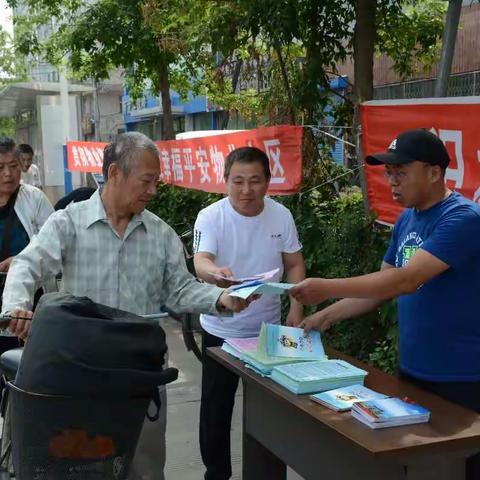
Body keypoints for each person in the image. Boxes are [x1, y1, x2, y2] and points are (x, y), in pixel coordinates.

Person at [1, 132, 254, 480]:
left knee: (144, 468)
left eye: (156, 182)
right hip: (81, 371)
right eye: (146, 181)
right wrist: (16, 305)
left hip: (140, 376)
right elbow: (28, 264)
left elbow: (180, 289)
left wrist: (221, 299)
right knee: (83, 466)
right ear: (116, 173)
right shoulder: (69, 224)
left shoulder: (160, 234)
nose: (152, 190)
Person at [290, 128, 480, 479]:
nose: (392, 182)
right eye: (389, 173)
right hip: (414, 372)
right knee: (421, 467)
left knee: (461, 467)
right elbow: (382, 287)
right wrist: (325, 317)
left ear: (435, 173)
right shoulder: (406, 219)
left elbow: (406, 279)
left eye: (401, 173)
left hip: (463, 378)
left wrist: (327, 288)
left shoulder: (463, 219)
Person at [194, 146, 305, 480]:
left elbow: (295, 262)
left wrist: (297, 307)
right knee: (217, 407)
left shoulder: (281, 216)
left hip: (267, 331)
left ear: (268, 182)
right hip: (221, 328)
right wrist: (216, 273)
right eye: (238, 181)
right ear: (225, 180)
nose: (246, 190)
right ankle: (216, 473)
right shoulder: (211, 216)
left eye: (255, 181)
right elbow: (200, 261)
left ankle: (267, 472)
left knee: (270, 409)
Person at [0, 136, 53, 352]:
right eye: (0, 167)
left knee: (24, 367)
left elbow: (54, 245)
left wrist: (22, 261)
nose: (8, 173)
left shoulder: (34, 199)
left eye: (13, 166)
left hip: (29, 306)